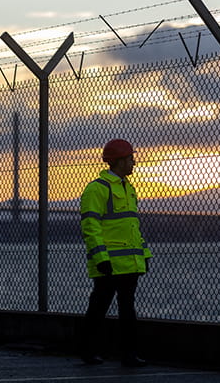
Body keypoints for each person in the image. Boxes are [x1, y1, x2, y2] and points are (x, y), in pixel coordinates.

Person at [79, 139, 152, 367]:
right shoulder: (97, 189)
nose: (134, 162)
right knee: (99, 307)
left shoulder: (128, 188)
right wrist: (101, 258)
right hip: (109, 264)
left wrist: (144, 254)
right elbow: (90, 226)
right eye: (130, 158)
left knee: (127, 310)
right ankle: (88, 351)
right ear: (120, 161)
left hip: (129, 263)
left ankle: (129, 355)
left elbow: (132, 226)